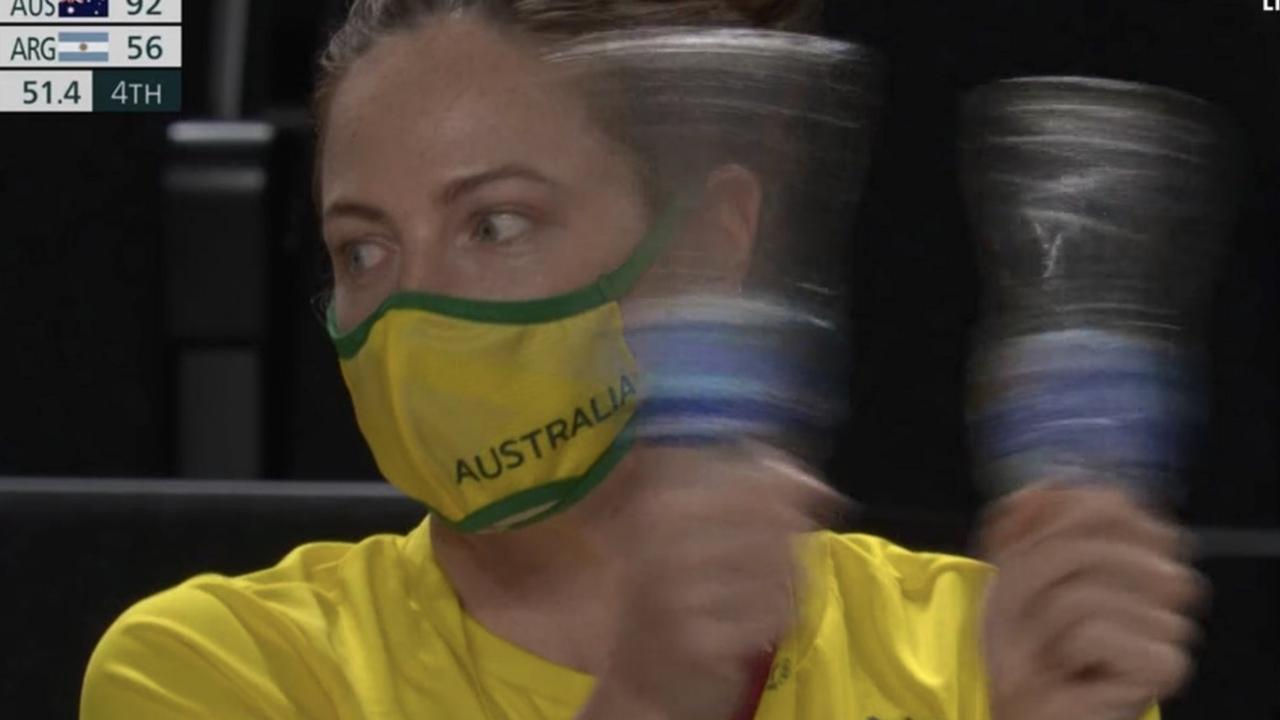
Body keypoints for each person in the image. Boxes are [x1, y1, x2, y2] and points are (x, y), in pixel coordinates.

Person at [81, 1, 1202, 718]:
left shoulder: (969, 653)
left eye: (496, 224)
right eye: (361, 247)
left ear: (710, 241)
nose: (409, 310)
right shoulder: (217, 669)